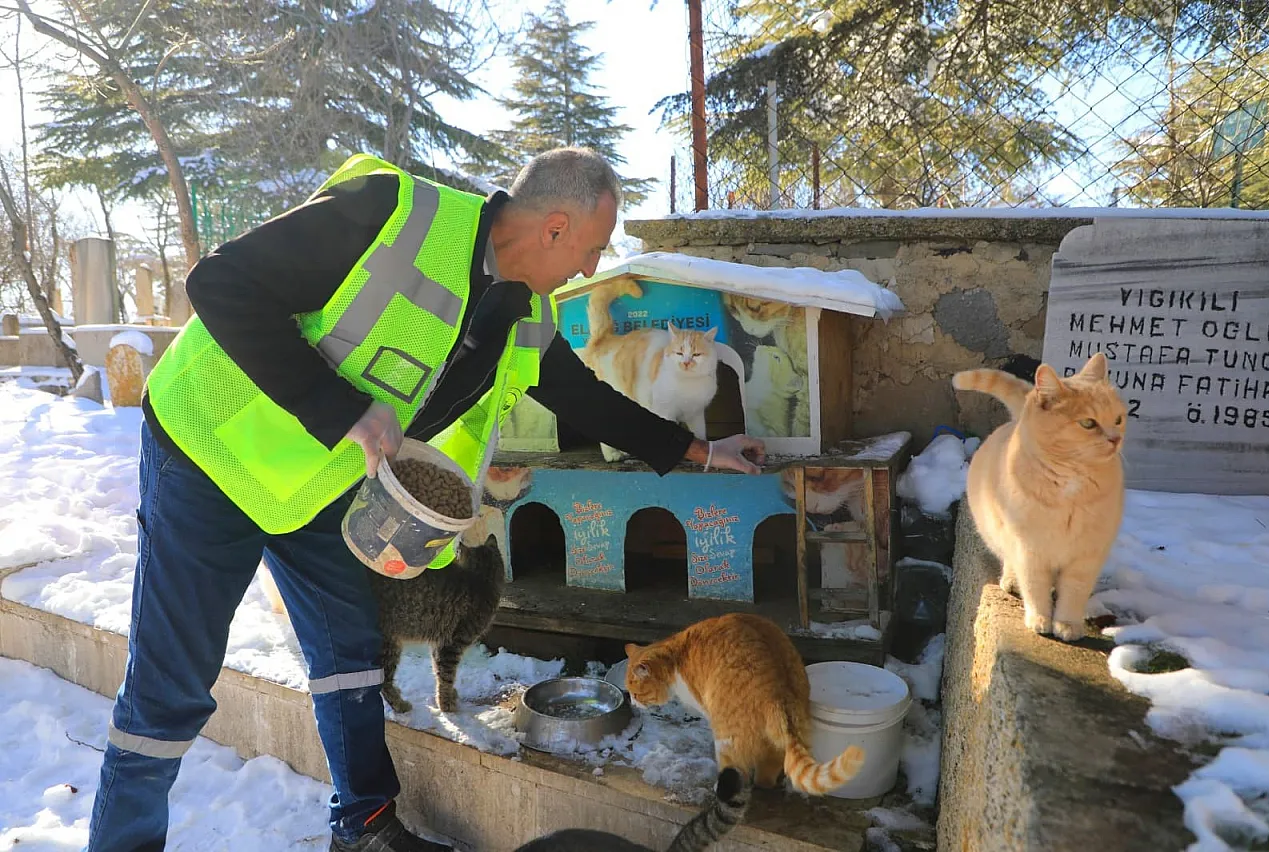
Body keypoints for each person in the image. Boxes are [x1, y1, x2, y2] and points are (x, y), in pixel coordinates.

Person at [86, 147, 766, 852]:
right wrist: (340, 407)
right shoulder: (391, 214)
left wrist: (701, 449)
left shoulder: (525, 312)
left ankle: (364, 826)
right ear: (555, 227)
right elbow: (220, 282)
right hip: (209, 454)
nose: (591, 270)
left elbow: (581, 397)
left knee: (351, 648)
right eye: (592, 249)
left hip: (313, 484)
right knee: (173, 684)